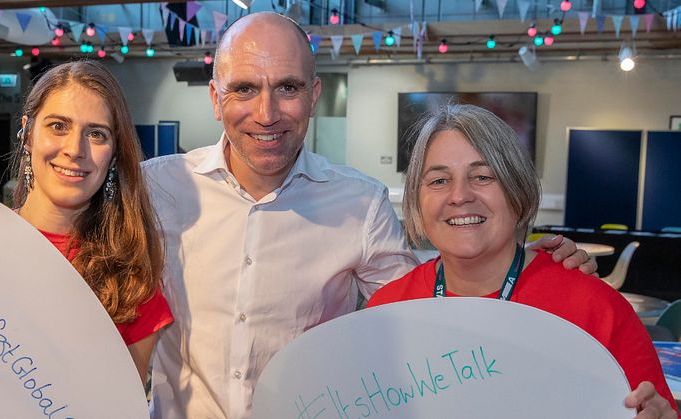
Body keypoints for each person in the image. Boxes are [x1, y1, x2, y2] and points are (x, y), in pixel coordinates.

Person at [143, 12, 594, 419]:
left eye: (288, 87)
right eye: (245, 88)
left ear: (313, 94)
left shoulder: (361, 204)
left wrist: (523, 266)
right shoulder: (156, 188)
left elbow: (427, 319)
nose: (267, 113)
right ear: (215, 97)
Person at [367, 104, 678, 418]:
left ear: (520, 193)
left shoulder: (593, 308)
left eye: (482, 176)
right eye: (438, 181)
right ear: (416, 202)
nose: (459, 196)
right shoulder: (386, 311)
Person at [11, 60, 173, 386]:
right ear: (28, 134)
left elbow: (119, 405)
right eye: (58, 126)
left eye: (96, 134)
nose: (75, 149)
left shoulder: (130, 282)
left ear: (113, 155)